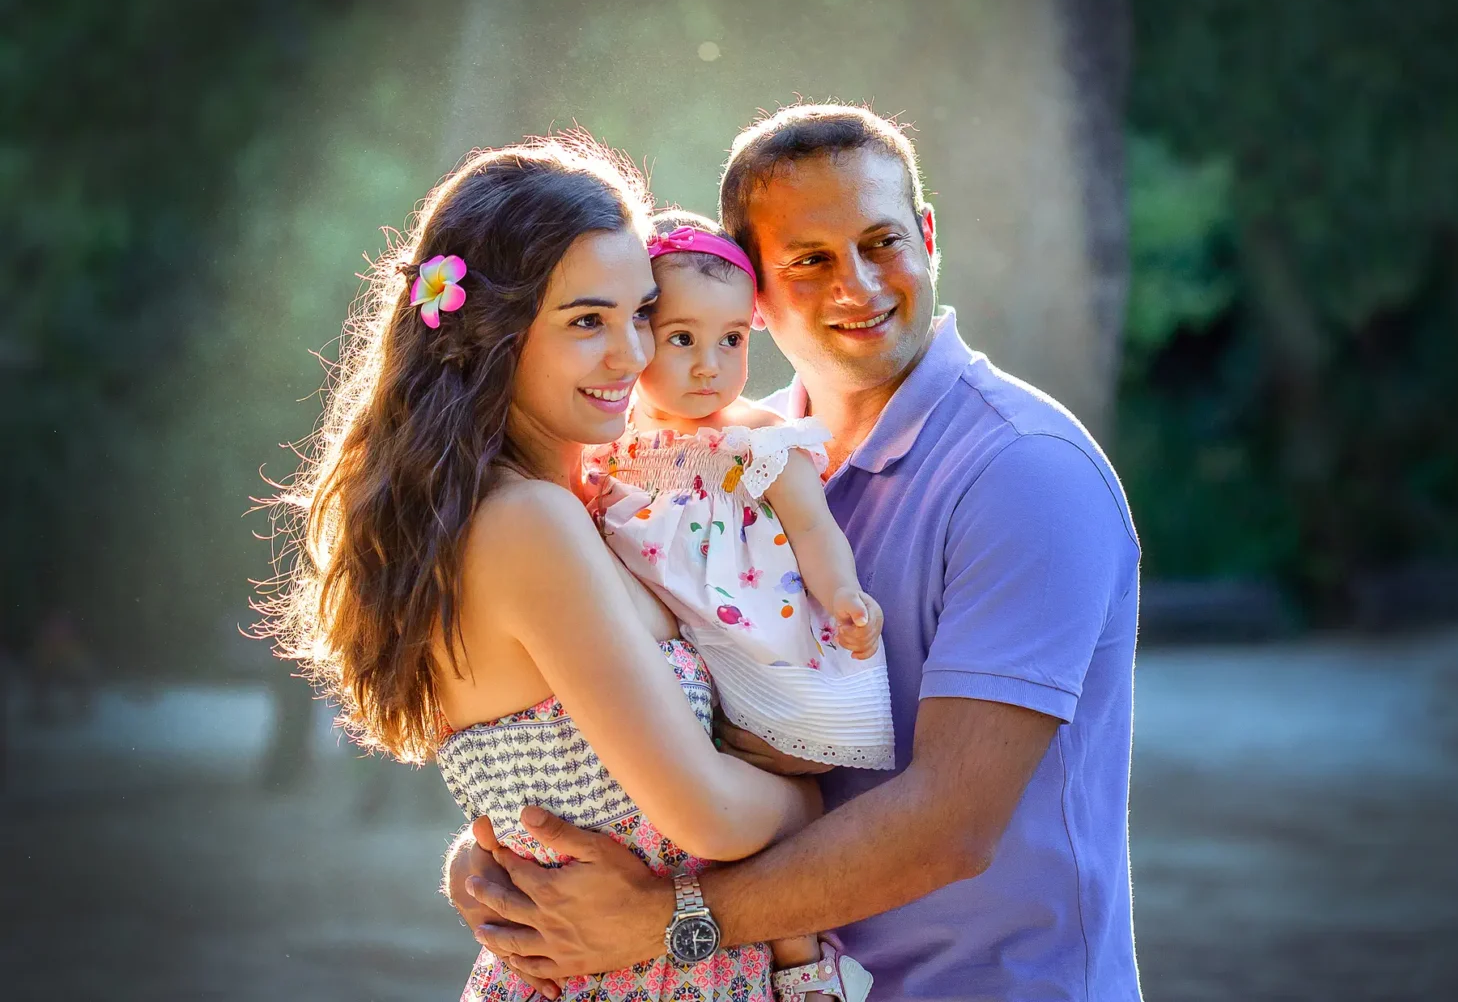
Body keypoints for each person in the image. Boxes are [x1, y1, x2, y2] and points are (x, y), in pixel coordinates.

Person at [450, 105, 1143, 1001]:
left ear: (928, 239)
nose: (857, 284)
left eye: (883, 242)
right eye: (810, 260)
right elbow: (626, 715)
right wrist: (507, 856)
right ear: (756, 291)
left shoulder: (1023, 472)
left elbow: (953, 825)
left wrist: (667, 920)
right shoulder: (715, 468)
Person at [262, 134, 872, 1001]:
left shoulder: (573, 501)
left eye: (640, 314)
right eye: (588, 320)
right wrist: (815, 802)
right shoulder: (527, 522)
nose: (632, 354)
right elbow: (704, 813)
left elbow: (571, 780)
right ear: (493, 333)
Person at [586, 208, 897, 772]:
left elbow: (812, 527)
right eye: (682, 339)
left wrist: (843, 594)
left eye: (731, 339)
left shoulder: (757, 442)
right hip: (644, 653)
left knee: (758, 749)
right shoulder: (608, 443)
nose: (709, 366)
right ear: (636, 332)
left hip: (740, 638)